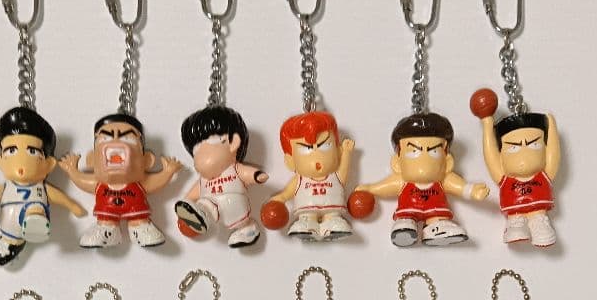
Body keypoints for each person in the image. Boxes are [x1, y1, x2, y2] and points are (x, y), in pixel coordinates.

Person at [0, 106, 87, 266]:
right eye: (11, 151)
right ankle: (11, 242)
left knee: (36, 208)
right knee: (12, 232)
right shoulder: (7, 187)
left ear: (49, 164)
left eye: (32, 152)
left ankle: (35, 222)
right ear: (0, 161)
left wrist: (71, 205)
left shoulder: (41, 188)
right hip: (9, 229)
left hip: (34, 214)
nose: (21, 162)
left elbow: (57, 196)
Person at [354, 113, 488, 247]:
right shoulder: (401, 180)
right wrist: (370, 189)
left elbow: (459, 186)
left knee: (439, 219)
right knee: (405, 221)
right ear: (397, 163)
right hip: (408, 210)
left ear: (447, 162)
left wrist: (472, 190)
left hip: (436, 211)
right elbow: (385, 186)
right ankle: (405, 227)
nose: (424, 161)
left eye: (434, 152)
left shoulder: (444, 179)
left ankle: (436, 227)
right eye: (414, 152)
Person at [59, 113, 182, 249]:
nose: (115, 145)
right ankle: (107, 230)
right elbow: (82, 181)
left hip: (136, 210)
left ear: (147, 161)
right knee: (106, 221)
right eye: (105, 139)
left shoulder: (142, 182)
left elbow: (156, 182)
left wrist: (168, 172)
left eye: (128, 139)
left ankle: (140, 228)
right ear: (92, 160)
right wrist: (72, 170)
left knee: (140, 220)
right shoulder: (98, 183)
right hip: (107, 211)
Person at [175, 106, 266, 247]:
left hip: (235, 206)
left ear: (233, 143)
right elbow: (192, 194)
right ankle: (200, 215)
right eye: (196, 150)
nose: (200, 156)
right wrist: (187, 201)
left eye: (209, 145)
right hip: (212, 210)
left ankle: (247, 229)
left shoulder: (234, 169)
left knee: (239, 221)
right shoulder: (203, 180)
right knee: (204, 204)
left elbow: (247, 173)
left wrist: (257, 176)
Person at [475, 107, 560, 247]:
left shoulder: (544, 174)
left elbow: (553, 153)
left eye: (534, 145)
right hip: (514, 211)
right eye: (514, 147)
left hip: (539, 210)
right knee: (516, 223)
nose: (524, 155)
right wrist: (487, 124)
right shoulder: (504, 176)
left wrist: (552, 129)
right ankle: (516, 223)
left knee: (539, 219)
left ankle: (539, 222)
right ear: (501, 154)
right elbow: (490, 155)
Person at [268, 111, 354, 240]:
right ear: (291, 161)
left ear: (337, 151)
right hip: (307, 208)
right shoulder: (300, 179)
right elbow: (288, 192)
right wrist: (281, 198)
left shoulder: (334, 176)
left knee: (333, 217)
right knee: (307, 217)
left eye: (325, 146)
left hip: (332, 208)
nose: (317, 157)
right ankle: (307, 224)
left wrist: (347, 153)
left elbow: (344, 173)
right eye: (306, 149)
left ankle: (332, 222)